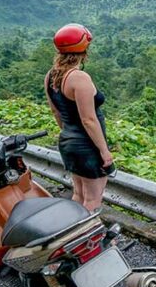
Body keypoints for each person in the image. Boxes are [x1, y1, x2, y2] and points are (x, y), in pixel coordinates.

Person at [45, 23, 114, 211]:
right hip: (87, 146)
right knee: (93, 199)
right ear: (84, 49)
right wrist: (104, 151)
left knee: (78, 194)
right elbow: (88, 119)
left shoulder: (51, 76)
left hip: (68, 142)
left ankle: (70, 236)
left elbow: (56, 112)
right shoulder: (79, 77)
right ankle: (90, 240)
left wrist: (70, 135)